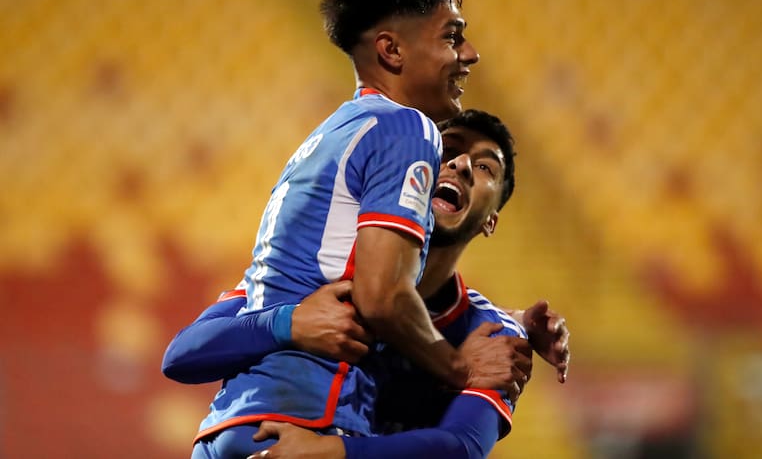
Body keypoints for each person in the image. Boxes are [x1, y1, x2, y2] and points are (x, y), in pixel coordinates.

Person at [176, 0, 533, 457]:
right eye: (452, 37)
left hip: (228, 429)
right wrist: (459, 367)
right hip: (303, 425)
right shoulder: (409, 127)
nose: (470, 54)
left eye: (485, 167)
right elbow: (383, 297)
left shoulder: (329, 137)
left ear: (492, 217)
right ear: (392, 50)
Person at [163, 110, 571, 458]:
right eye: (448, 149)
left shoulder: (491, 336)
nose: (461, 164)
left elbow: (461, 446)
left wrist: (331, 451)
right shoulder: (322, 267)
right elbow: (181, 355)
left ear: (491, 221)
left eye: (484, 168)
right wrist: (289, 323)